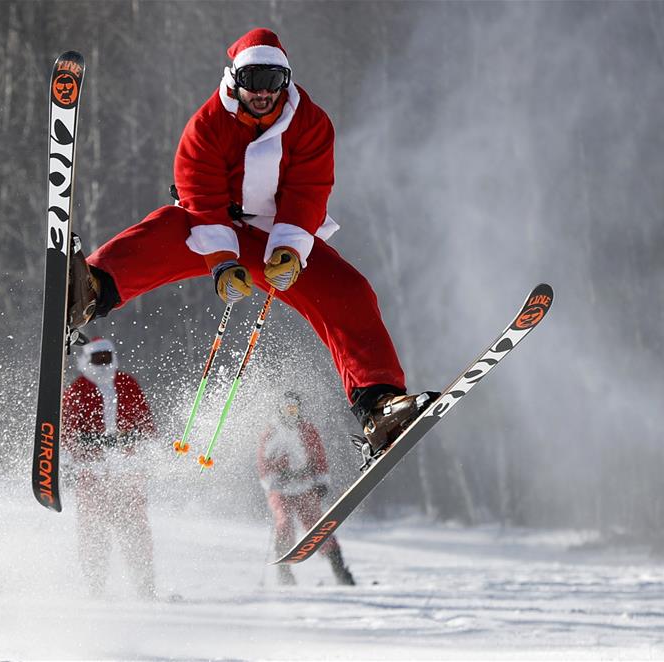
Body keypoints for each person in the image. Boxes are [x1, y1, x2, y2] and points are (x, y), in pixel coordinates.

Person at [69, 28, 437, 463]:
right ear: (235, 79)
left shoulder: (311, 123)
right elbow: (200, 197)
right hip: (212, 226)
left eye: (273, 81)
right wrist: (223, 262)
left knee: (347, 292)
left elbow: (309, 192)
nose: (262, 92)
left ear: (287, 80)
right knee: (166, 227)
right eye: (252, 79)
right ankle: (89, 289)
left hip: (275, 234)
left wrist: (289, 250)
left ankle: (379, 405)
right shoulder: (207, 125)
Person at [61, 337, 157, 599]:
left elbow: (146, 425)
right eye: (97, 359)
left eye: (106, 358)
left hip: (127, 473)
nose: (103, 365)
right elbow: (67, 433)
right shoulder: (77, 390)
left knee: (136, 532)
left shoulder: (127, 384)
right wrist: (83, 449)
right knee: (93, 534)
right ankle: (95, 588)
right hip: (93, 474)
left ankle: (145, 587)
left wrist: (135, 442)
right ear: (86, 361)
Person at [257, 391, 355, 586]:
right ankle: (284, 572)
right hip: (281, 489)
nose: (291, 413)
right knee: (284, 523)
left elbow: (319, 457)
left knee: (317, 526)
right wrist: (272, 479)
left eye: (294, 409)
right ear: (281, 410)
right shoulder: (271, 432)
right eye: (288, 409)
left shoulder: (307, 430)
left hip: (304, 486)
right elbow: (263, 462)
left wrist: (321, 481)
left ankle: (339, 569)